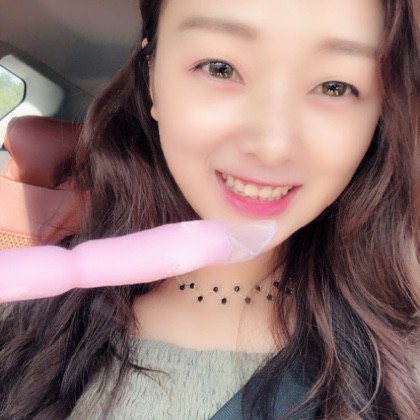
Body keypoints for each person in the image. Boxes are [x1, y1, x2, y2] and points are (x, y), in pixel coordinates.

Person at [1, 0, 419, 418]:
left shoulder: (402, 364)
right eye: (220, 68)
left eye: (335, 87)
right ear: (151, 79)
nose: (272, 146)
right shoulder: (35, 310)